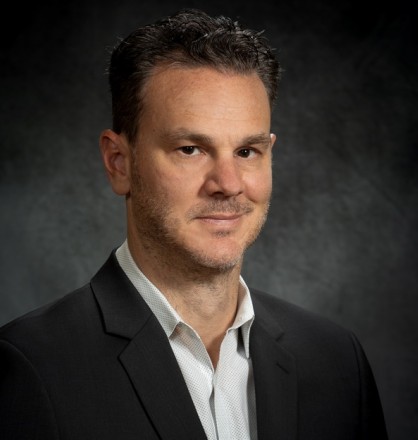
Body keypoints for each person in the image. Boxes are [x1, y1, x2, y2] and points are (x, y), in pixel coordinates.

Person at [0, 8, 388, 440]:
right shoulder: (31, 368)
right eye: (190, 149)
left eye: (247, 152)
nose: (228, 184)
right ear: (118, 162)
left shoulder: (337, 361)